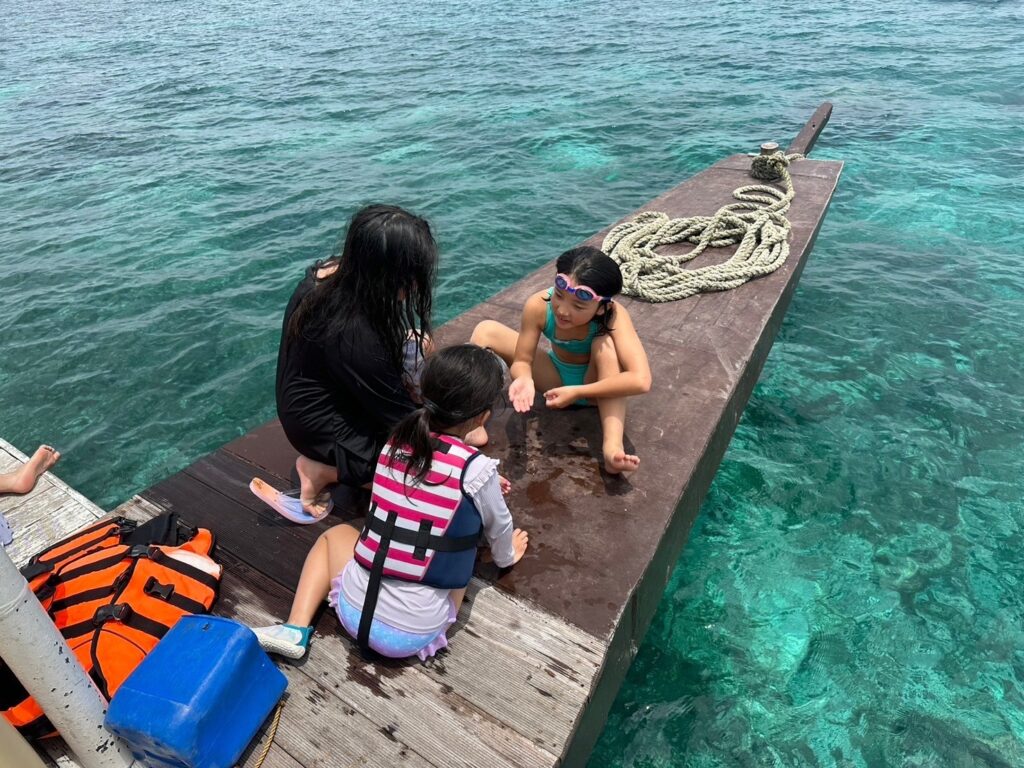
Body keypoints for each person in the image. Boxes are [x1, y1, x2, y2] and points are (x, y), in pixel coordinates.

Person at [252, 344, 528, 661]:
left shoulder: (394, 444)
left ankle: (295, 628)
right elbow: (500, 527)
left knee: (334, 536)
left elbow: (411, 498)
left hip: (353, 613)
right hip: (411, 635)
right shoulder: (477, 470)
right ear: (482, 415)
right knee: (463, 555)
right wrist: (507, 556)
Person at [258, 204, 438, 522]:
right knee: (416, 474)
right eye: (408, 275)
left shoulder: (334, 275)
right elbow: (401, 418)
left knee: (419, 345)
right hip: (320, 427)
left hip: (315, 400)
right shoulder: (353, 332)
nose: (414, 285)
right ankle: (321, 470)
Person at [471, 246, 651, 473]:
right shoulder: (538, 305)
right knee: (485, 330)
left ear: (600, 308)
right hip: (556, 380)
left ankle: (611, 449)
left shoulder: (614, 315)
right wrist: (524, 377)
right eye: (558, 295)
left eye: (578, 306)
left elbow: (641, 380)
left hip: (598, 389)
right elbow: (522, 361)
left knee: (604, 344)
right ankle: (470, 419)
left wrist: (578, 392)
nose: (563, 310)